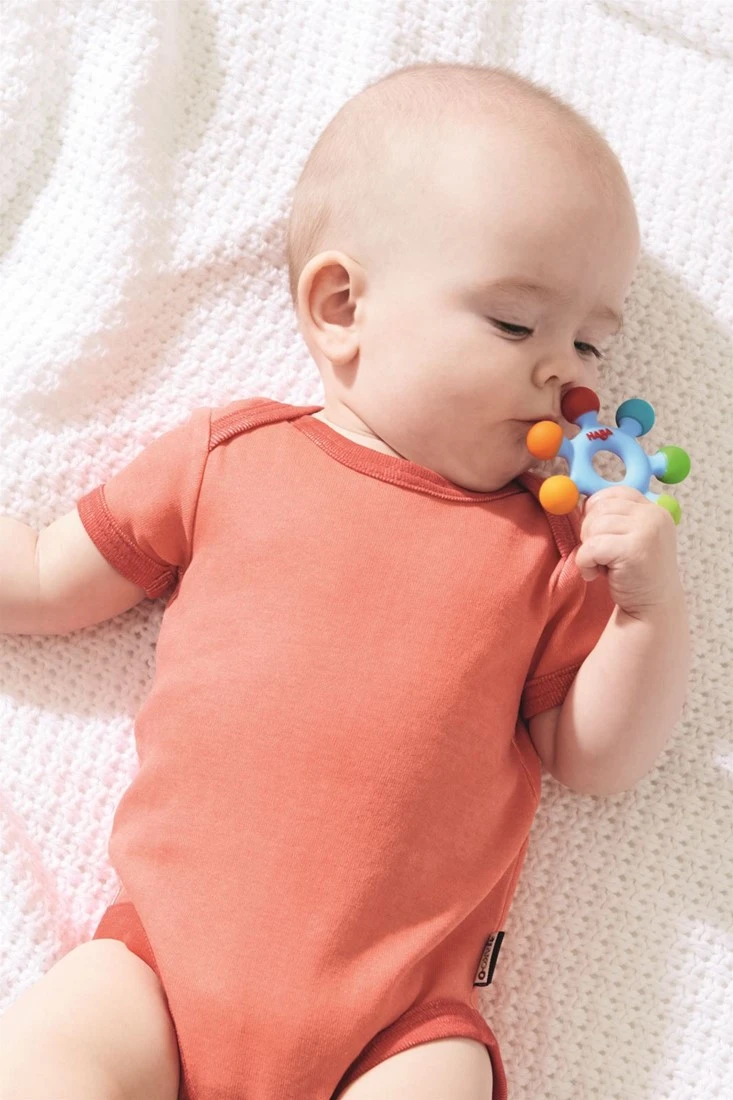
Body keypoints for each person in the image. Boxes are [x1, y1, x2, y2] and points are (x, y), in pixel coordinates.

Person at [0, 62, 690, 1100]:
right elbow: (47, 575)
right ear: (341, 304)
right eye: (515, 323)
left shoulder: (549, 553)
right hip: (156, 973)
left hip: (397, 1026)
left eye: (590, 339)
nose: (567, 371)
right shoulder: (228, 459)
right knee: (49, 1057)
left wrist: (647, 610)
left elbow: (594, 758)